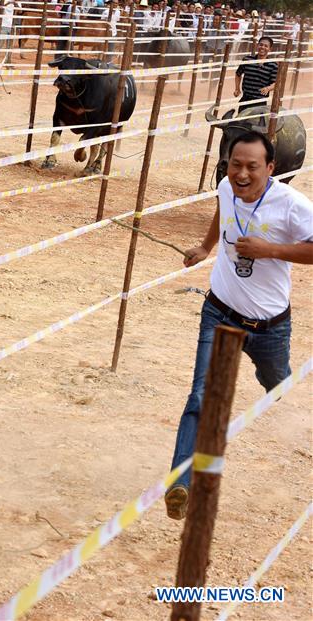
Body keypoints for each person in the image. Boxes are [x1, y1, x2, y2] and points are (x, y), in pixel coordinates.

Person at [165, 131, 313, 521]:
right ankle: (181, 481)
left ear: (271, 168)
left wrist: (271, 250)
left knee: (277, 383)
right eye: (235, 165)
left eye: (251, 167)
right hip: (220, 311)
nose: (241, 174)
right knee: (200, 396)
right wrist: (206, 247)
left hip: (270, 325)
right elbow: (222, 209)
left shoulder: (292, 205)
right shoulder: (225, 187)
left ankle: (273, 382)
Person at [234, 36, 278, 111]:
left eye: (266, 46)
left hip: (260, 102)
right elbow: (238, 74)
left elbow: (275, 83)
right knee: (240, 122)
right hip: (245, 99)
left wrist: (268, 88)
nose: (262, 47)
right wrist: (237, 88)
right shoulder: (247, 59)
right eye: (261, 45)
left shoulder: (273, 65)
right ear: (257, 46)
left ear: (270, 49)